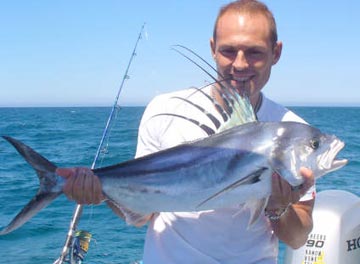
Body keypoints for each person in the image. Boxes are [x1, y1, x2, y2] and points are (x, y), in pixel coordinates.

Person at [57, 1, 315, 263]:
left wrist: (278, 208)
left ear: (276, 52)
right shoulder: (165, 110)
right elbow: (140, 215)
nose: (239, 64)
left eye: (254, 52)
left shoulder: (295, 135)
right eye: (228, 50)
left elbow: (297, 238)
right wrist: (100, 191)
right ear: (213, 49)